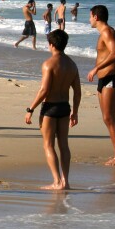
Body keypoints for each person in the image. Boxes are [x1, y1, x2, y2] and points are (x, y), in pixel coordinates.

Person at [24, 29, 81, 190]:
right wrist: (75, 112)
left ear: (51, 44)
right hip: (65, 107)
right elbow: (77, 91)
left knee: (48, 145)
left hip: (50, 107)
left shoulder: (48, 64)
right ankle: (66, 181)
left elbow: (44, 90)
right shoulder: (72, 65)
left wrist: (31, 109)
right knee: (64, 144)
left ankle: (56, 182)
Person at [86, 5, 115, 166]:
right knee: (106, 118)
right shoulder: (103, 33)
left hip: (111, 77)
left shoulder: (107, 32)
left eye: (90, 16)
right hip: (103, 80)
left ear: (96, 17)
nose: (89, 20)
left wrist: (96, 68)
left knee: (109, 117)